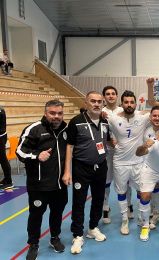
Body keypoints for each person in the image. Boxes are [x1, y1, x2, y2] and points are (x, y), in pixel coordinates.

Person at [16, 100, 68, 260]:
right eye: (52, 113)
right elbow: (19, 151)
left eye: (59, 113)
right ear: (46, 113)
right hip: (38, 185)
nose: (56, 117)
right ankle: (33, 244)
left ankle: (55, 238)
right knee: (36, 215)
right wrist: (36, 155)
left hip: (59, 184)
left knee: (57, 213)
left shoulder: (66, 129)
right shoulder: (34, 129)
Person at [62, 91, 110, 254]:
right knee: (79, 201)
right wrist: (67, 171)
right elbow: (69, 146)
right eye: (93, 101)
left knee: (98, 198)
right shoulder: (76, 122)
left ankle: (92, 228)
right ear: (86, 103)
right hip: (81, 167)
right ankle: (77, 235)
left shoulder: (105, 121)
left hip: (101, 166)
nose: (96, 104)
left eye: (99, 101)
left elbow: (105, 141)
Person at [107, 90, 151, 235]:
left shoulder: (142, 117)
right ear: (122, 104)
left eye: (132, 102)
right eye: (126, 102)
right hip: (120, 162)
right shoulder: (112, 118)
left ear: (135, 103)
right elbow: (104, 130)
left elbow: (157, 108)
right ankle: (124, 220)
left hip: (138, 162)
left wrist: (150, 87)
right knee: (121, 192)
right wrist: (111, 142)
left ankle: (140, 217)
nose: (129, 104)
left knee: (140, 191)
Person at [101, 86, 133, 224]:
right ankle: (106, 208)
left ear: (117, 96)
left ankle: (129, 205)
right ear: (104, 97)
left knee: (126, 181)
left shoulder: (124, 110)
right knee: (106, 182)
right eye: (107, 94)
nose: (111, 96)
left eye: (113, 93)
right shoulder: (101, 111)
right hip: (108, 151)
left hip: (124, 152)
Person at [0, 106, 12, 190]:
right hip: (2, 135)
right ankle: (6, 179)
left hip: (0, 137)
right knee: (2, 159)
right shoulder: (1, 108)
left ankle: (8, 181)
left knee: (2, 159)